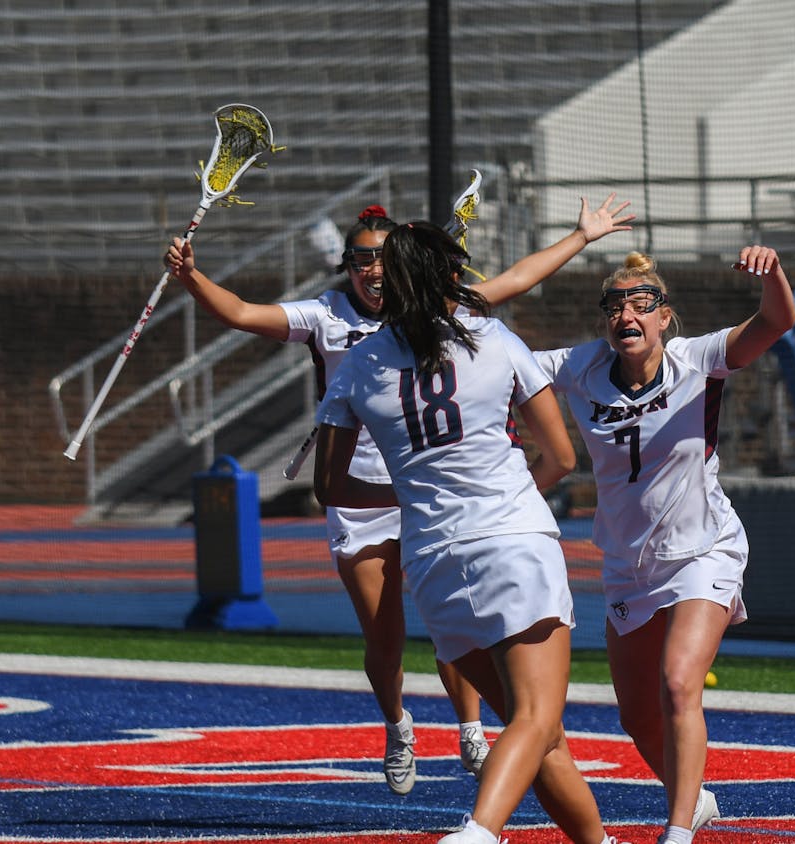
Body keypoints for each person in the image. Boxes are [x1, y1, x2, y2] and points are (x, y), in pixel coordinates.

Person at [164, 194, 633, 797]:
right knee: (388, 636)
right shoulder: (332, 322)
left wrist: (581, 237)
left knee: (459, 631)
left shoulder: (450, 314)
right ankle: (398, 723)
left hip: (441, 498)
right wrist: (192, 276)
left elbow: (518, 277)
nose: (372, 270)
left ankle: (470, 729)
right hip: (372, 497)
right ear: (347, 265)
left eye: (383, 259)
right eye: (359, 259)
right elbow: (240, 312)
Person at [313, 220, 634, 844]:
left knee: (535, 732)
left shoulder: (358, 364)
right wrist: (502, 499)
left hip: (434, 559)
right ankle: (479, 832)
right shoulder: (494, 338)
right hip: (512, 539)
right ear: (447, 278)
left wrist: (414, 494)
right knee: (537, 720)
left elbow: (331, 488)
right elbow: (562, 458)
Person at [532, 246, 795, 844]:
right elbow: (501, 365)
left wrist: (773, 272)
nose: (627, 315)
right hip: (630, 563)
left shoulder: (696, 360)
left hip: (704, 547)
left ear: (664, 315)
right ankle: (695, 799)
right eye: (615, 306)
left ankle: (676, 832)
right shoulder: (580, 365)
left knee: (679, 683)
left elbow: (777, 322)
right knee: (636, 715)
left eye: (640, 304)